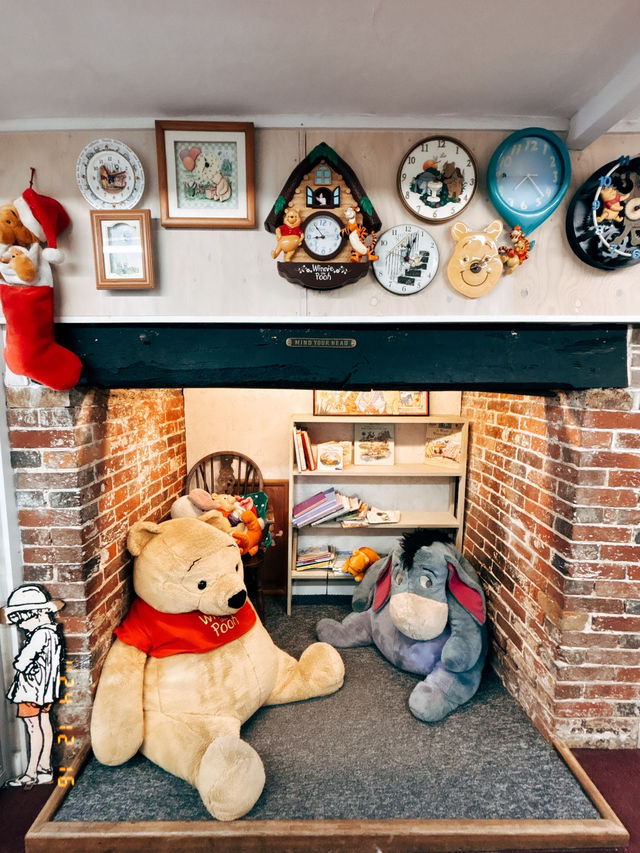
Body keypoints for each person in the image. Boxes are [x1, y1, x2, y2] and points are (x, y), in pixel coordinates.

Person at [1, 584, 64, 788]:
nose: (20, 625)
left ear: (35, 613)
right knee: (44, 724)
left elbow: (22, 662)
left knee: (33, 728)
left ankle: (30, 773)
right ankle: (45, 768)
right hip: (45, 691)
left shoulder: (39, 635)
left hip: (31, 691)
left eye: (22, 619)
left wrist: (22, 663)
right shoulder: (53, 633)